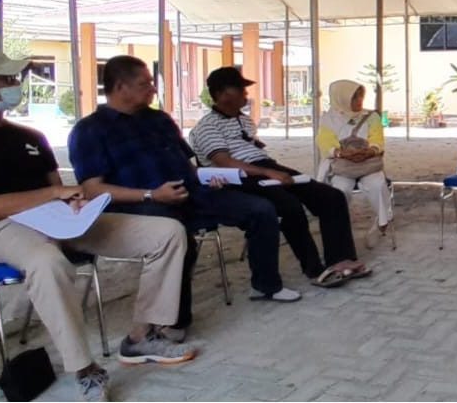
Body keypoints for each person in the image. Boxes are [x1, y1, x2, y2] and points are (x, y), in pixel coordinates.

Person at [0, 50, 197, 401]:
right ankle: (85, 369)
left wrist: (73, 200)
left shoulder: (30, 137)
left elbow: (61, 190)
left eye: (16, 79)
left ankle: (141, 337)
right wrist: (53, 194)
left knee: (167, 232)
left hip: (60, 221)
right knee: (47, 261)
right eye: (5, 80)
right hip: (3, 229)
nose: (15, 85)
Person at [69, 56, 301, 336]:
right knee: (176, 235)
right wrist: (151, 194)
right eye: (145, 83)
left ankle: (265, 285)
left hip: (191, 193)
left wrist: (208, 177)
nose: (153, 89)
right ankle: (172, 323)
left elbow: (188, 167)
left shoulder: (159, 119)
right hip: (140, 206)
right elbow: (92, 189)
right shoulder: (90, 130)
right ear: (120, 87)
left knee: (261, 209)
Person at [189, 67, 368, 286]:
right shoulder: (206, 127)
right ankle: (314, 270)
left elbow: (254, 149)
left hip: (266, 167)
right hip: (238, 177)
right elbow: (224, 162)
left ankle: (341, 259)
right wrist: (267, 172)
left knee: (331, 196)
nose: (246, 94)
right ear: (221, 93)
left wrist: (270, 167)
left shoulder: (244, 120)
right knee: (289, 206)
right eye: (240, 89)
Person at [316, 80, 393, 249]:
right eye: (354, 97)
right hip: (342, 166)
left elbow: (377, 139)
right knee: (340, 190)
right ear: (342, 98)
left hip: (367, 164)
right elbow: (325, 143)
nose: (359, 101)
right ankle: (340, 228)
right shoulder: (328, 119)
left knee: (377, 184)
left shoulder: (371, 117)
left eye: (360, 97)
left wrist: (370, 151)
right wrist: (342, 153)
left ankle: (381, 223)